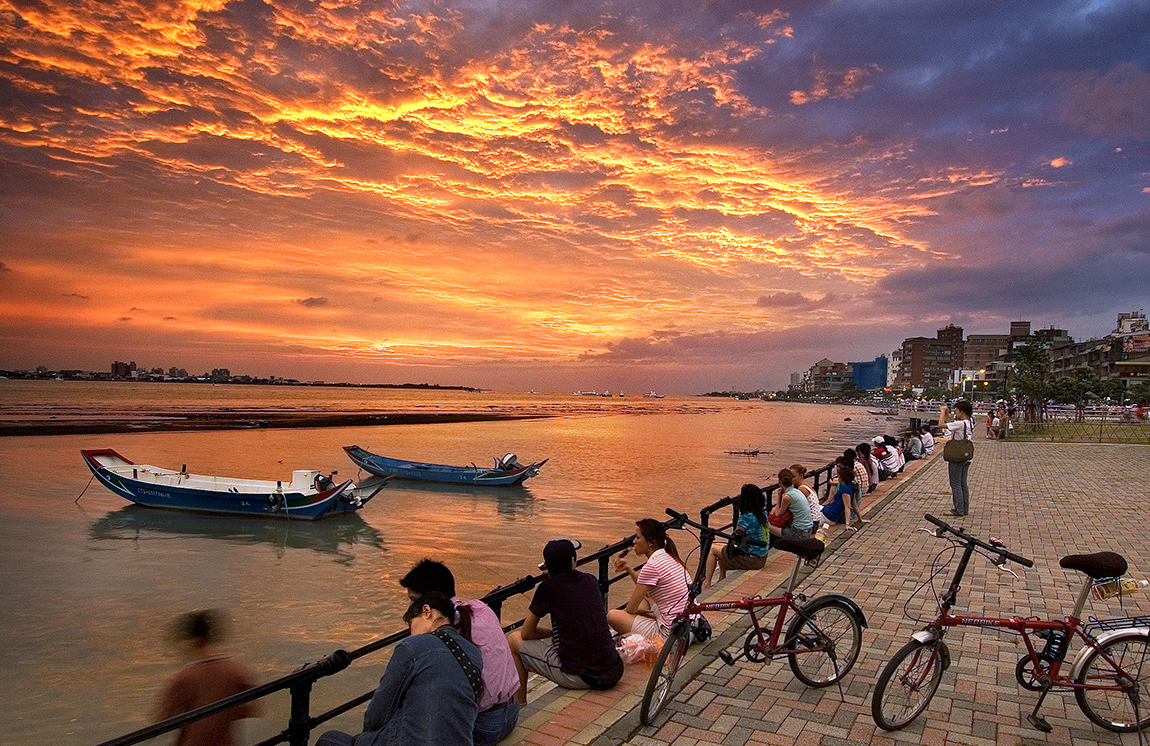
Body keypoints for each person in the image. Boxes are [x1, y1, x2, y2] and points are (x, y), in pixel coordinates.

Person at [317, 593, 482, 746]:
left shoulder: (412, 647)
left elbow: (375, 717)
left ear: (427, 612)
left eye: (411, 624)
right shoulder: (473, 653)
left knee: (328, 739)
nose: (411, 632)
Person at [399, 561, 519, 745]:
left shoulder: (442, 633)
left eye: (414, 601)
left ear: (428, 604)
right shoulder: (479, 607)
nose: (410, 608)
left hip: (484, 727)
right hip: (511, 712)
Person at [507, 539, 623, 701]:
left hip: (584, 677)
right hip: (613, 669)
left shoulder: (547, 588)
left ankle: (520, 707)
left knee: (513, 639)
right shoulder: (590, 580)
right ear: (572, 561)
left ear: (546, 566)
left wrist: (550, 633)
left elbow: (526, 633)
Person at [155, 610, 258, 746]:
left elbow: (161, 719)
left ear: (193, 641)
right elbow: (252, 709)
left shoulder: (185, 677)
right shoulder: (235, 671)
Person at [608, 519, 690, 640]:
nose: (634, 542)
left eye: (637, 538)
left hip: (671, 636)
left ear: (650, 542)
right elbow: (644, 587)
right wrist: (629, 569)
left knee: (612, 615)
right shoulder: (667, 557)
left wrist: (640, 612)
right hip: (687, 625)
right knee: (645, 600)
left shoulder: (652, 566)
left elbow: (631, 609)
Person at [705, 483, 769, 587]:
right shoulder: (763, 515)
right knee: (722, 548)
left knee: (712, 548)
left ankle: (706, 584)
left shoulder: (745, 519)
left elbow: (736, 537)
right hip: (762, 557)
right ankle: (721, 578)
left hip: (752, 560)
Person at [940, 399, 975, 517]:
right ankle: (964, 509)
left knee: (955, 484)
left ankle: (958, 510)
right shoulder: (968, 422)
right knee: (963, 484)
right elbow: (951, 425)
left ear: (962, 411)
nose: (955, 411)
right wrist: (947, 415)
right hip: (965, 456)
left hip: (957, 457)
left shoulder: (960, 423)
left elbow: (941, 425)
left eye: (957, 410)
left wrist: (942, 412)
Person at [769, 469, 813, 540]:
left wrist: (779, 496)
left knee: (767, 526)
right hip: (808, 529)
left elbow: (778, 514)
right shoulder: (797, 491)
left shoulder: (787, 497)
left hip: (799, 533)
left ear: (780, 482)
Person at [819, 462, 857, 531]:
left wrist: (847, 525)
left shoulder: (845, 489)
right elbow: (854, 505)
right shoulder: (850, 487)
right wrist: (860, 519)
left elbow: (847, 507)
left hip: (828, 516)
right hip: (829, 513)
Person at [789, 464, 826, 530]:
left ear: (801, 476)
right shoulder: (806, 485)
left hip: (812, 520)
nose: (791, 479)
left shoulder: (801, 489)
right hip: (816, 517)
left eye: (793, 476)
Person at [842, 450, 869, 524]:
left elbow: (848, 506)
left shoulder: (851, 468)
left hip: (844, 515)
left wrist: (847, 524)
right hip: (864, 488)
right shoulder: (858, 464)